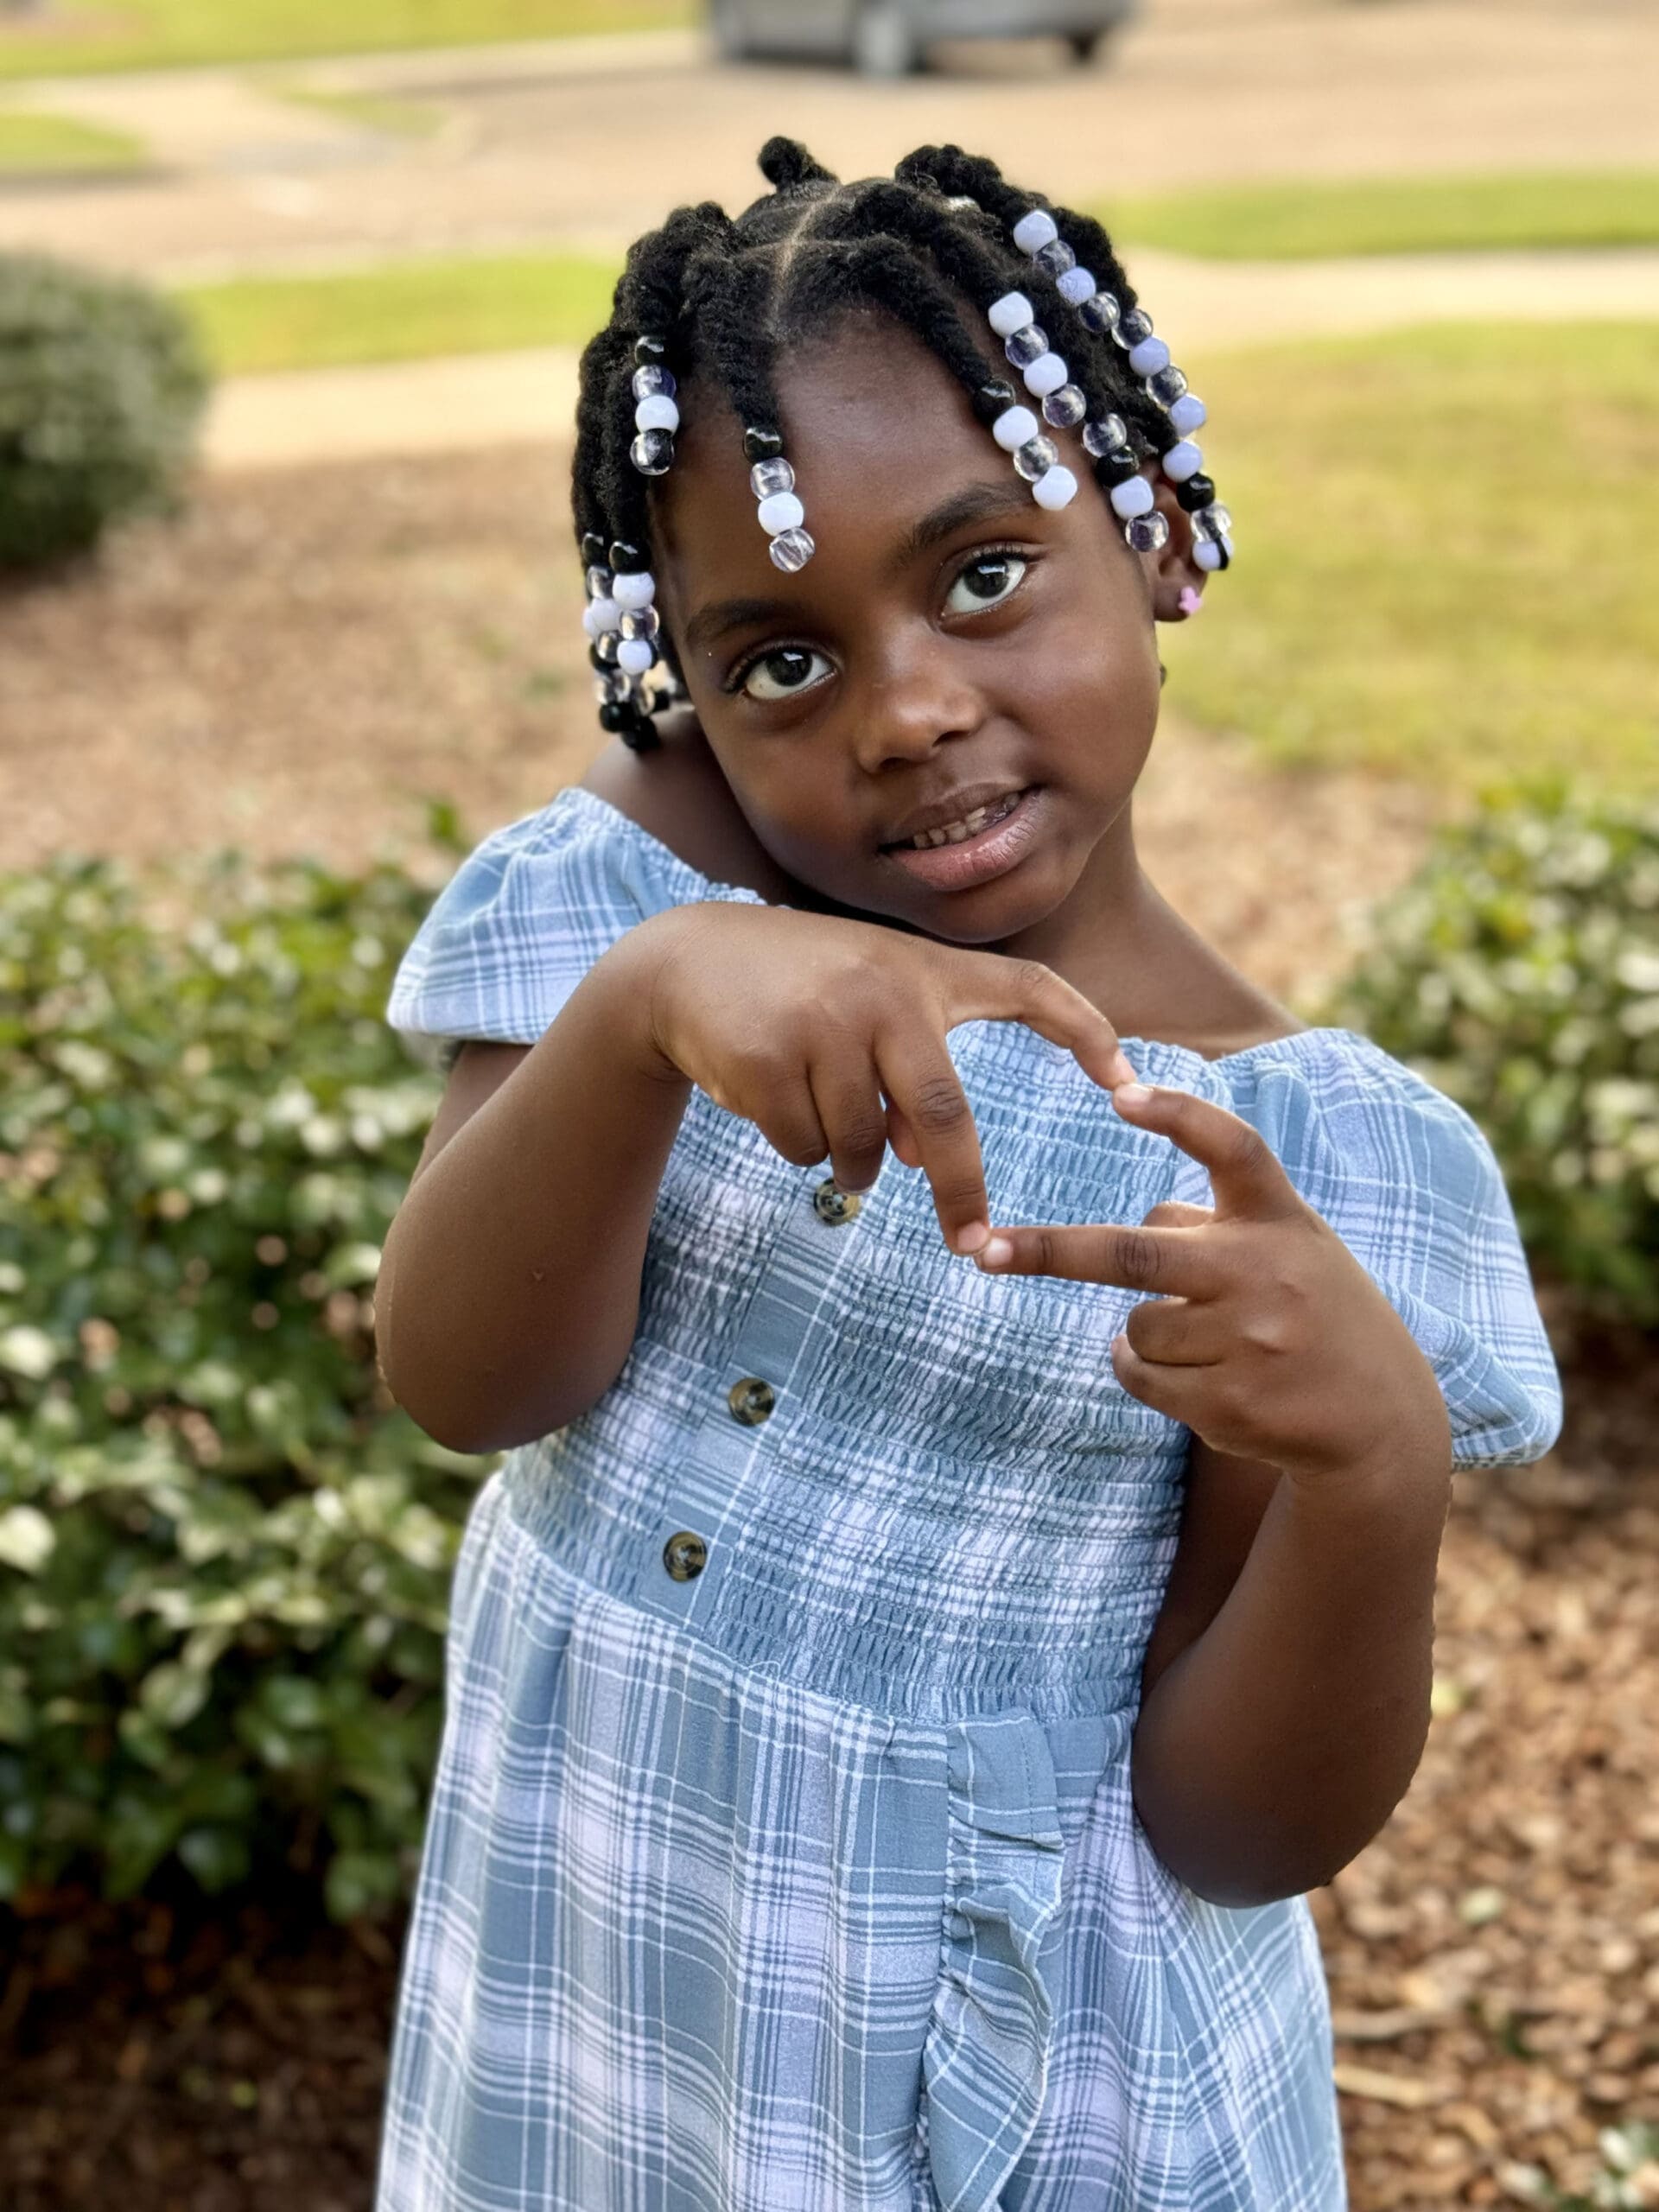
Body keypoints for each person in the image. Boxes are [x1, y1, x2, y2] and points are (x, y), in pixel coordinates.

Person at [370, 138, 1564, 2212]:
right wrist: (645, 1005)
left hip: (1024, 2090)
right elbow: (469, 1378)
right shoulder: (643, 888)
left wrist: (1378, 1473)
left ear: (1166, 527)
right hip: (587, 2003)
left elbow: (1235, 1826)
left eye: (985, 573)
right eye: (779, 661)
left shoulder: (1309, 1161)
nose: (907, 712)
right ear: (695, 695)